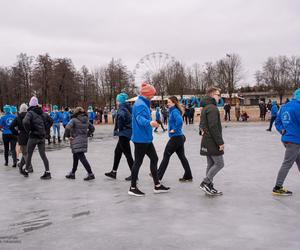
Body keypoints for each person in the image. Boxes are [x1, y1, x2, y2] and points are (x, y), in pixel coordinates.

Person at [128, 83, 170, 197]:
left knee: (154, 158)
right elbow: (139, 119)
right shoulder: (140, 104)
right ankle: (132, 187)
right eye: (152, 94)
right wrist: (150, 122)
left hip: (145, 138)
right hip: (141, 139)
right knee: (138, 162)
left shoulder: (143, 103)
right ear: (148, 94)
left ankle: (157, 185)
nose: (153, 96)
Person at [157, 96, 193, 182]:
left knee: (166, 155)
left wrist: (175, 129)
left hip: (176, 138)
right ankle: (188, 175)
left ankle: (158, 176)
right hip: (179, 137)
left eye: (169, 102)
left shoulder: (174, 111)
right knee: (182, 157)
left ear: (173, 103)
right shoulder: (173, 111)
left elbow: (180, 121)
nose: (167, 104)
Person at [272, 89, 300, 196]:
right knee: (287, 163)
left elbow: (278, 121)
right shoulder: (298, 107)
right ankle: (277, 187)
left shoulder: (285, 106)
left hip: (288, 139)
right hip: (295, 140)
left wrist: (282, 130)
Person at [199, 87, 225, 196]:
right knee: (219, 163)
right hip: (212, 141)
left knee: (211, 163)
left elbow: (202, 124)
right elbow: (213, 127)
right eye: (218, 94)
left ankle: (209, 186)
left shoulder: (205, 108)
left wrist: (202, 131)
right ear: (212, 95)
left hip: (206, 140)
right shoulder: (213, 108)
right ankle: (206, 182)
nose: (219, 97)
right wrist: (220, 142)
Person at [22, 96, 53, 179]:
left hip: (33, 137)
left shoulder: (30, 113)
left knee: (29, 154)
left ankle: (26, 170)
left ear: (30, 104)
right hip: (42, 137)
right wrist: (45, 129)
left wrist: (29, 130)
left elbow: (25, 122)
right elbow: (51, 121)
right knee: (43, 155)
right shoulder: (43, 113)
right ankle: (48, 172)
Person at [105, 93, 134, 181]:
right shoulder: (127, 107)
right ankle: (114, 172)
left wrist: (119, 128)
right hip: (126, 133)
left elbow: (121, 117)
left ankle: (134, 174)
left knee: (128, 154)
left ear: (119, 101)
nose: (116, 102)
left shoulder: (122, 108)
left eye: (117, 100)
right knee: (117, 152)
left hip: (124, 134)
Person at [65, 107, 96, 181]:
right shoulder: (86, 120)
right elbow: (92, 128)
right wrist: (87, 134)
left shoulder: (74, 120)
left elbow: (67, 127)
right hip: (83, 140)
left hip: (76, 140)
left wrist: (68, 136)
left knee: (82, 157)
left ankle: (90, 173)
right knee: (75, 157)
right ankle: (72, 173)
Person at [10, 104, 33, 173]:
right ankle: (21, 165)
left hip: (21, 135)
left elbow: (11, 126)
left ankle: (30, 167)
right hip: (29, 135)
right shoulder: (29, 116)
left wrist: (16, 133)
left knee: (25, 153)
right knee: (25, 152)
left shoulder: (18, 117)